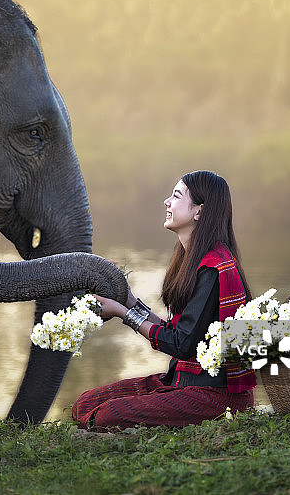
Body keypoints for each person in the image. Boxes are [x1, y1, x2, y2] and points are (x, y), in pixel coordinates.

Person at [72, 170, 256, 430]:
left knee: (104, 416)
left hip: (214, 395)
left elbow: (181, 344)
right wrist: (128, 299)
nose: (167, 202)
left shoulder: (214, 268)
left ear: (199, 212)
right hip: (179, 381)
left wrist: (124, 314)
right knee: (86, 404)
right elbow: (178, 333)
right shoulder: (190, 259)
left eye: (176, 196)